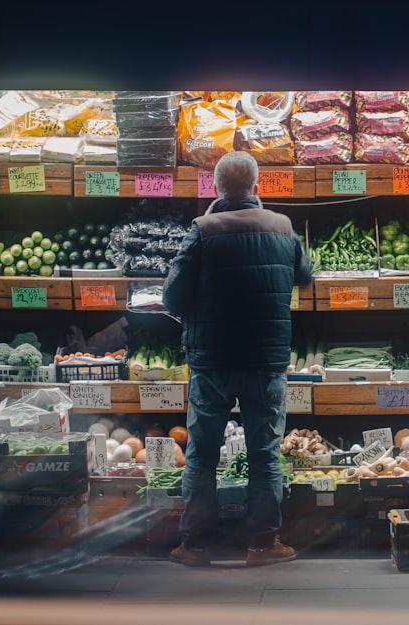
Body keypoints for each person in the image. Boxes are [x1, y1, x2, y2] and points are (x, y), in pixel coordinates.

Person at [162, 151, 313, 567]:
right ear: (257, 186)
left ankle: (195, 547)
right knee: (265, 453)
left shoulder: (202, 230)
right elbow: (305, 275)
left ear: (215, 187)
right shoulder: (283, 227)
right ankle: (263, 545)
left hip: (212, 360)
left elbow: (171, 296)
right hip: (265, 359)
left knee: (202, 455)